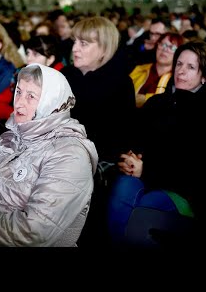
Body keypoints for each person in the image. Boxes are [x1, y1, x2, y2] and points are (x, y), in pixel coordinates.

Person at [0, 63, 98, 247]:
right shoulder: (10, 137)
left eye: (31, 96)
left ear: (51, 102)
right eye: (19, 92)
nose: (20, 102)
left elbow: (34, 231)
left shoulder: (70, 155)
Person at [107, 40, 206, 248]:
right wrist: (127, 158)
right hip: (145, 176)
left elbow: (199, 168)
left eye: (191, 67)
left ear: (205, 75)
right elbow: (133, 137)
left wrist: (146, 169)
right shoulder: (158, 102)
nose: (181, 71)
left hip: (185, 191)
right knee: (122, 188)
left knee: (146, 208)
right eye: (179, 64)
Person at [61, 16, 136, 246]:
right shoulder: (65, 75)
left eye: (84, 43)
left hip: (98, 165)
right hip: (61, 157)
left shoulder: (119, 82)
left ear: (103, 48)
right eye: (75, 42)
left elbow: (121, 134)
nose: (75, 48)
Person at [0, 34, 63, 130]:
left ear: (50, 59)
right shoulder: (23, 74)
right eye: (28, 53)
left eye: (35, 54)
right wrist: (17, 114)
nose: (29, 58)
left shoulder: (59, 82)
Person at [129, 32, 185, 108]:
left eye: (172, 47)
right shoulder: (139, 69)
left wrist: (145, 99)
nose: (165, 50)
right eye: (162, 44)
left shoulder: (178, 79)